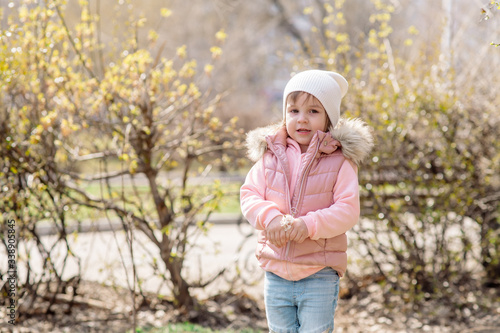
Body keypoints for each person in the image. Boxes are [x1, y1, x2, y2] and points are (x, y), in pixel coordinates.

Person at [240, 69, 374, 333]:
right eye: (294, 111)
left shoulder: (339, 161)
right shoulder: (271, 156)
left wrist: (309, 225)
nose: (302, 119)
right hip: (276, 271)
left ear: (328, 119)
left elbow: (347, 210)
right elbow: (249, 194)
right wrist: (271, 218)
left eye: (313, 111)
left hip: (318, 272)